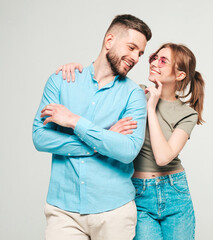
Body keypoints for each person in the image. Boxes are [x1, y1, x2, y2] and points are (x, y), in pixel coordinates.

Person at [58, 43, 205, 240]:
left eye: (163, 61)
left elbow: (162, 157)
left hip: (175, 192)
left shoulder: (188, 114)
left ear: (180, 75)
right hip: (139, 191)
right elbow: (100, 83)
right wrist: (78, 75)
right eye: (154, 57)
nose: (154, 63)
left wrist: (151, 109)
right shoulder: (135, 93)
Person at [32, 14, 152, 240]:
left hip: (114, 212)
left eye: (140, 53)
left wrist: (74, 121)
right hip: (63, 211)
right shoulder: (61, 80)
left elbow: (127, 151)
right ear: (109, 41)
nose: (136, 58)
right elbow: (40, 137)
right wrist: (103, 140)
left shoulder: (134, 95)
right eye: (132, 47)